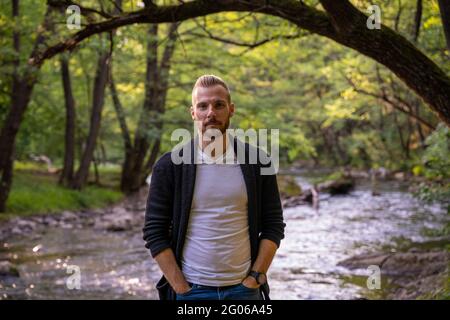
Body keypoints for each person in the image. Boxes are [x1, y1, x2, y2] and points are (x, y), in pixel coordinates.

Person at [143, 74, 285, 300]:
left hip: (244, 290)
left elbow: (273, 224)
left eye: (219, 105)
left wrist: (255, 278)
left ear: (231, 109)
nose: (211, 112)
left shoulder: (259, 162)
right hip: (191, 290)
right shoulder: (169, 166)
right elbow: (154, 231)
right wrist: (181, 288)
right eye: (203, 106)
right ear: (193, 113)